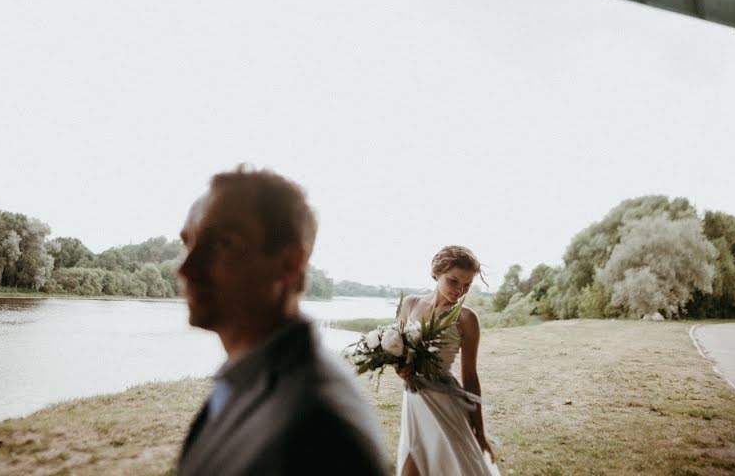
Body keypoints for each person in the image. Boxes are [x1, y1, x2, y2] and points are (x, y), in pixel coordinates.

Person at [176, 166, 388, 476]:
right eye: (187, 243)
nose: (187, 268)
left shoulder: (323, 432)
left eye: (222, 243)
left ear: (289, 263)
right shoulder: (248, 377)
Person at [396, 245, 500, 476]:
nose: (460, 290)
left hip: (445, 402)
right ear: (437, 273)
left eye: (467, 285)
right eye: (453, 281)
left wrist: (480, 432)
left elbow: (470, 376)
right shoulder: (410, 305)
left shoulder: (467, 319)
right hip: (413, 400)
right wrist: (400, 368)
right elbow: (398, 353)